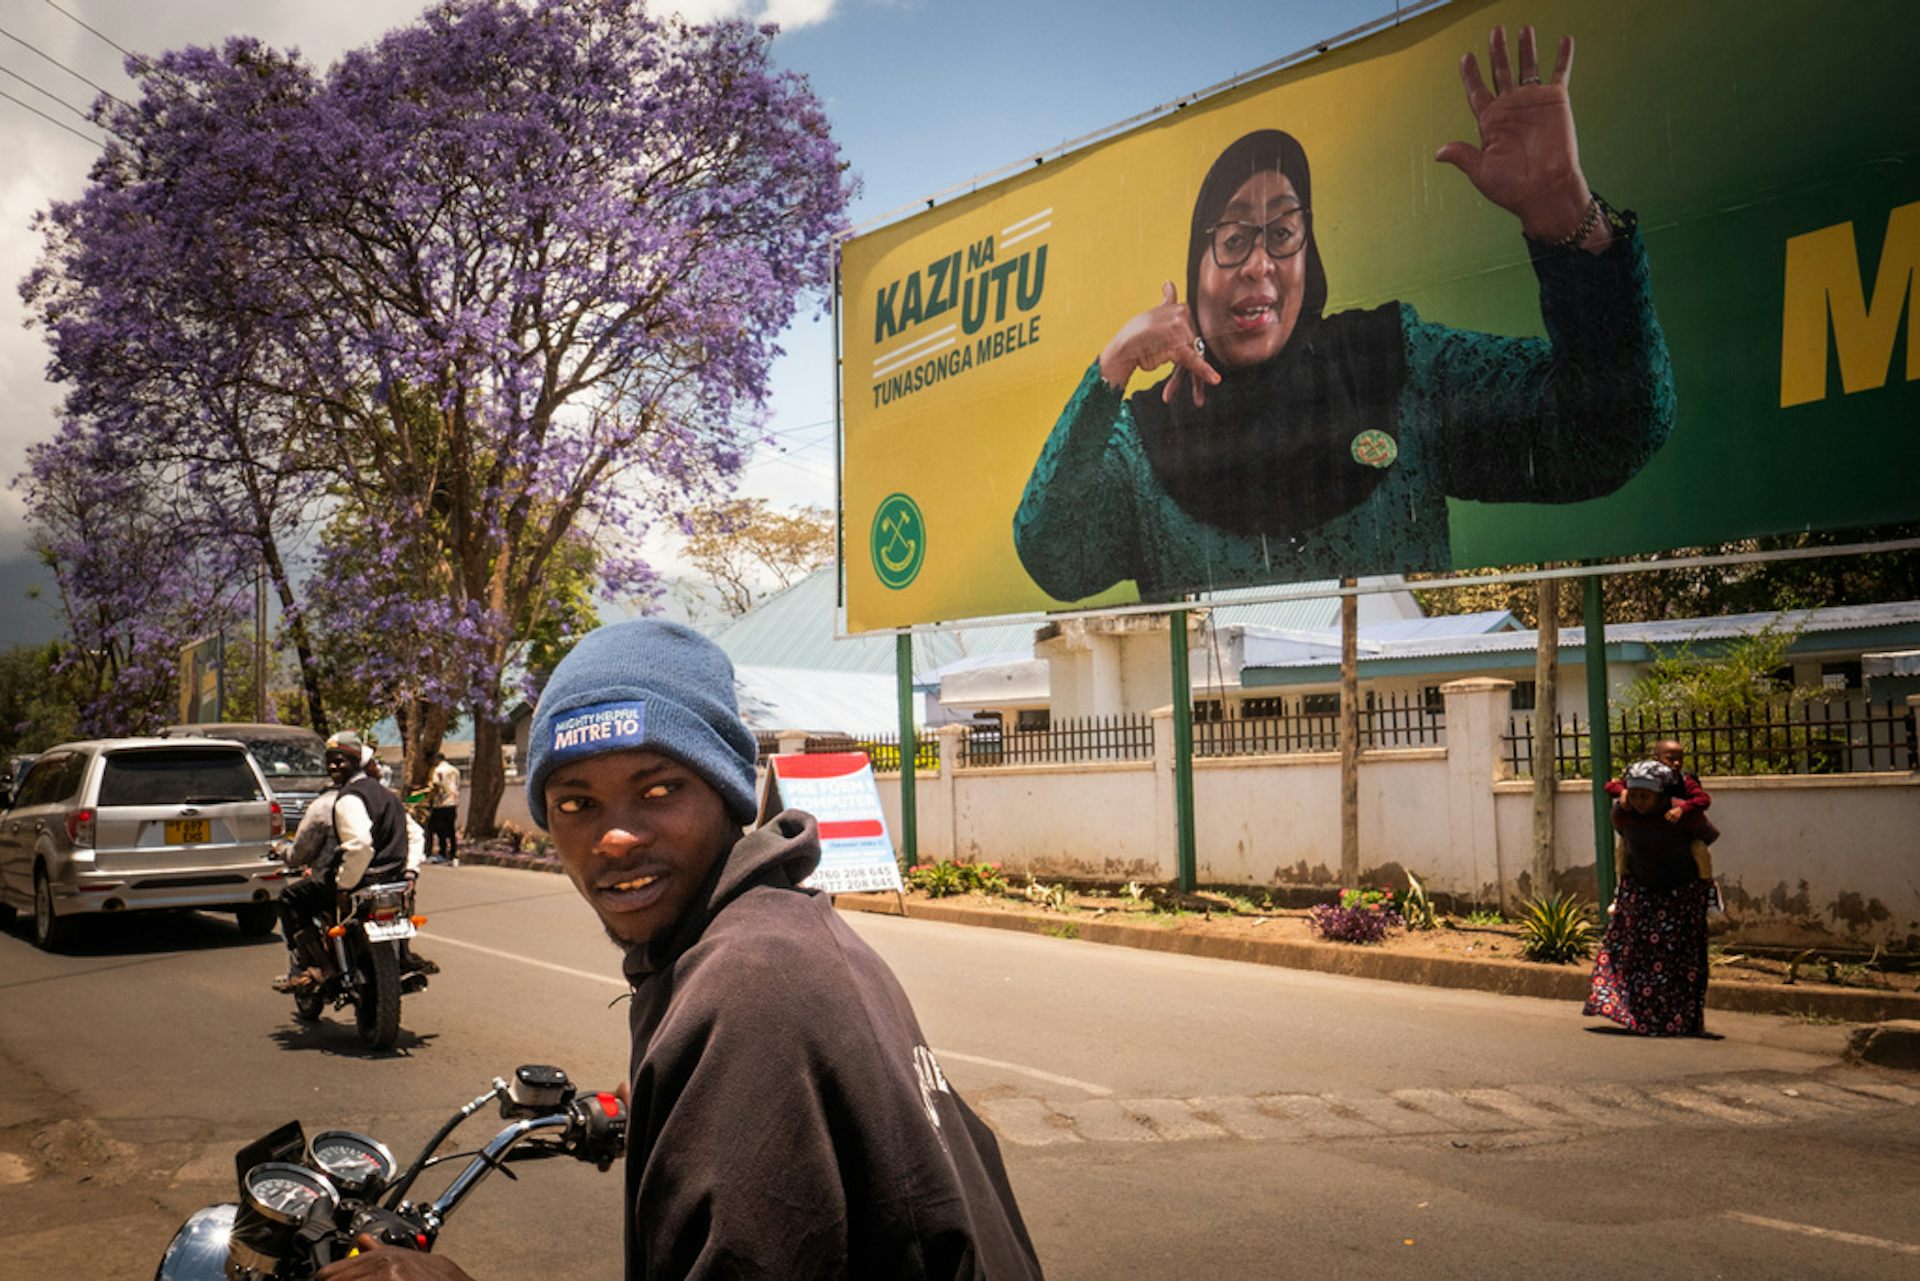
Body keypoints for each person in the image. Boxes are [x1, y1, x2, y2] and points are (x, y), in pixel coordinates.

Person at [317, 620, 1043, 1280]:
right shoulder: (781, 932)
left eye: (659, 788)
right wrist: (668, 1099)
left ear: (726, 793)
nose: (615, 836)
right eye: (576, 803)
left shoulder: (749, 990)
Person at [1012, 25, 1674, 602]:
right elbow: (1054, 556)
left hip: (1413, 739)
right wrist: (1113, 366)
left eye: (1283, 232)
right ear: (1196, 269)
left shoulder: (1394, 365)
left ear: (1310, 253)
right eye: (1233, 238)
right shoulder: (1147, 437)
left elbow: (1613, 429)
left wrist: (1564, 215)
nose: (1259, 264)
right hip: (1221, 745)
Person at [274, 732, 414, 990]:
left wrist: (343, 886)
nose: (335, 766)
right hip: (391, 879)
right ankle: (403, 955)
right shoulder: (389, 796)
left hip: (357, 880)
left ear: (357, 761)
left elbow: (359, 846)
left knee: (288, 898)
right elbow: (415, 834)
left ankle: (319, 966)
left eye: (342, 760)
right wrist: (411, 872)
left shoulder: (347, 799)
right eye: (331, 761)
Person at [1583, 759, 1713, 1036]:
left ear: (1661, 795)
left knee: (1676, 960)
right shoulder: (1622, 814)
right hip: (1640, 891)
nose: (1640, 801)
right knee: (1631, 954)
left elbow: (1705, 839)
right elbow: (1625, 845)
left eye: (1647, 796)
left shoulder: (1682, 814)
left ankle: (1676, 1020)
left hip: (1680, 896)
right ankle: (1633, 1014)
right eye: (1636, 795)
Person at [1604, 738, 1718, 879]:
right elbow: (1610, 786)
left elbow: (1703, 799)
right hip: (1645, 834)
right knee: (1624, 845)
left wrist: (1682, 809)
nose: (1676, 763)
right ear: (1656, 758)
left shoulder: (1684, 781)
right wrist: (1623, 792)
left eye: (1680, 759)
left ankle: (1706, 886)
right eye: (1670, 759)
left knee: (1698, 849)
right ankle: (1623, 881)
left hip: (1678, 832)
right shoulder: (1644, 776)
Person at [426, 751, 461, 864]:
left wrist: (426, 796)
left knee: (438, 828)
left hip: (441, 803)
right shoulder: (455, 770)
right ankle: (453, 855)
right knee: (451, 829)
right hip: (453, 802)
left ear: (437, 759)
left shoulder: (438, 771)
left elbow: (436, 786)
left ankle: (442, 853)